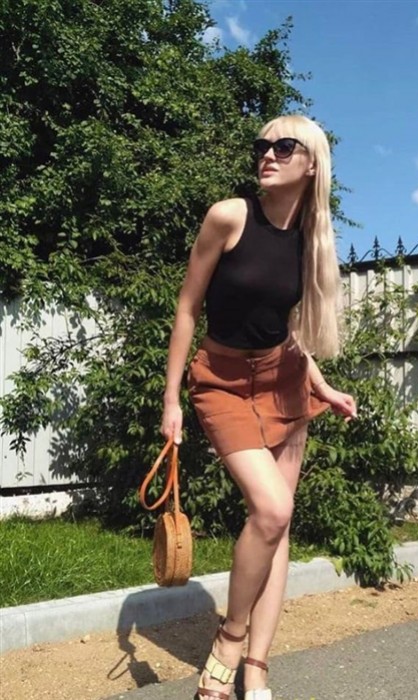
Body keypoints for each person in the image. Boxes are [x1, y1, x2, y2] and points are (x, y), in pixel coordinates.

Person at [161, 114, 357, 700]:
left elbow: (285, 329)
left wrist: (322, 386)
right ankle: (231, 637)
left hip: (285, 380)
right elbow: (188, 307)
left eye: (284, 146)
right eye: (262, 145)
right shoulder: (229, 216)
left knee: (278, 524)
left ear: (312, 163)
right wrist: (171, 398)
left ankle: (257, 668)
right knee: (271, 509)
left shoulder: (310, 241)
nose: (267, 154)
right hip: (221, 382)